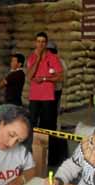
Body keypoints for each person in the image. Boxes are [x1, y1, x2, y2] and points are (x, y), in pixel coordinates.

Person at [26, 32, 63, 166]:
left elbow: (60, 76)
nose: (40, 44)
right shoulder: (31, 57)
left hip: (48, 96)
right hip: (34, 97)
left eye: (43, 42)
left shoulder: (52, 57)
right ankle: (31, 153)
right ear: (35, 43)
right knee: (32, 124)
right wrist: (38, 59)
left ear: (46, 43)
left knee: (48, 125)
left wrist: (45, 78)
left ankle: (50, 157)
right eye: (38, 41)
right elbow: (29, 77)